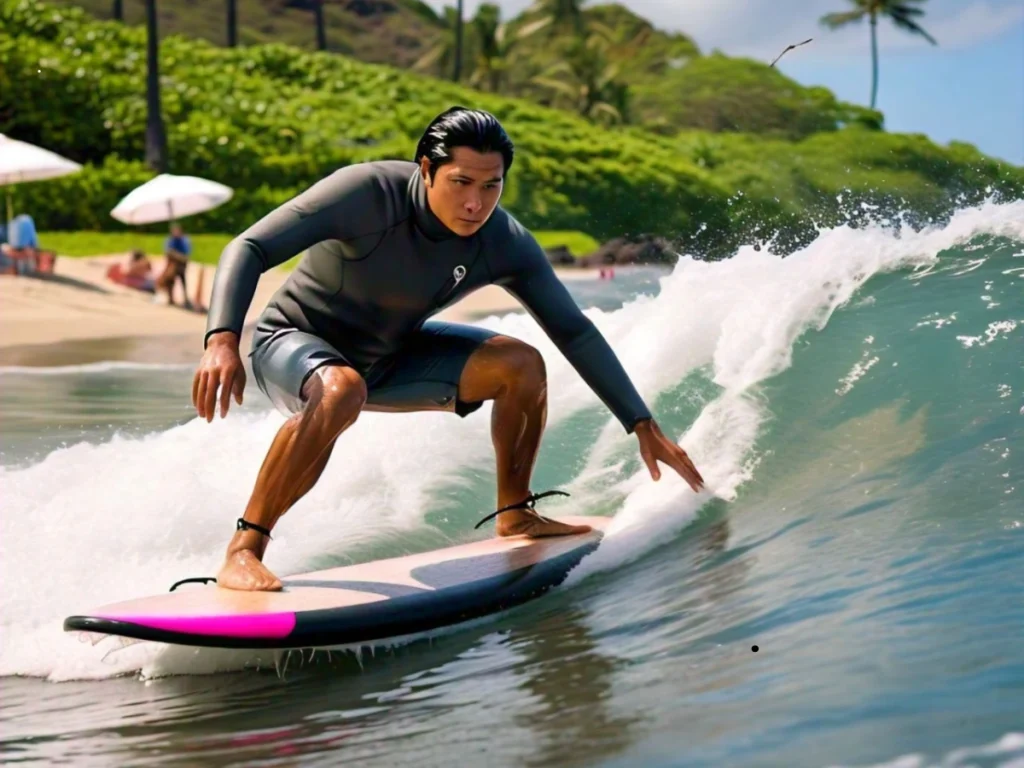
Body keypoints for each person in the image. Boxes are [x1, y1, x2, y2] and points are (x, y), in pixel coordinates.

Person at [193, 106, 705, 592]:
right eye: (461, 182)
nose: (475, 203)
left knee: (520, 365)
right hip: (291, 342)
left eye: (491, 186)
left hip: (389, 358)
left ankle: (515, 512)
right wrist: (221, 339)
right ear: (427, 170)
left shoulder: (503, 241)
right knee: (341, 387)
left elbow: (574, 331)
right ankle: (244, 549)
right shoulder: (367, 193)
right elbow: (250, 247)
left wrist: (641, 422)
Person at [155, 222, 192, 307]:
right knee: (170, 280)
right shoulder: (170, 240)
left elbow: (186, 256)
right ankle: (171, 298)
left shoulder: (184, 241)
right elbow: (167, 252)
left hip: (181, 265)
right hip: (172, 265)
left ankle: (185, 298)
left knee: (182, 280)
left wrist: (175, 255)